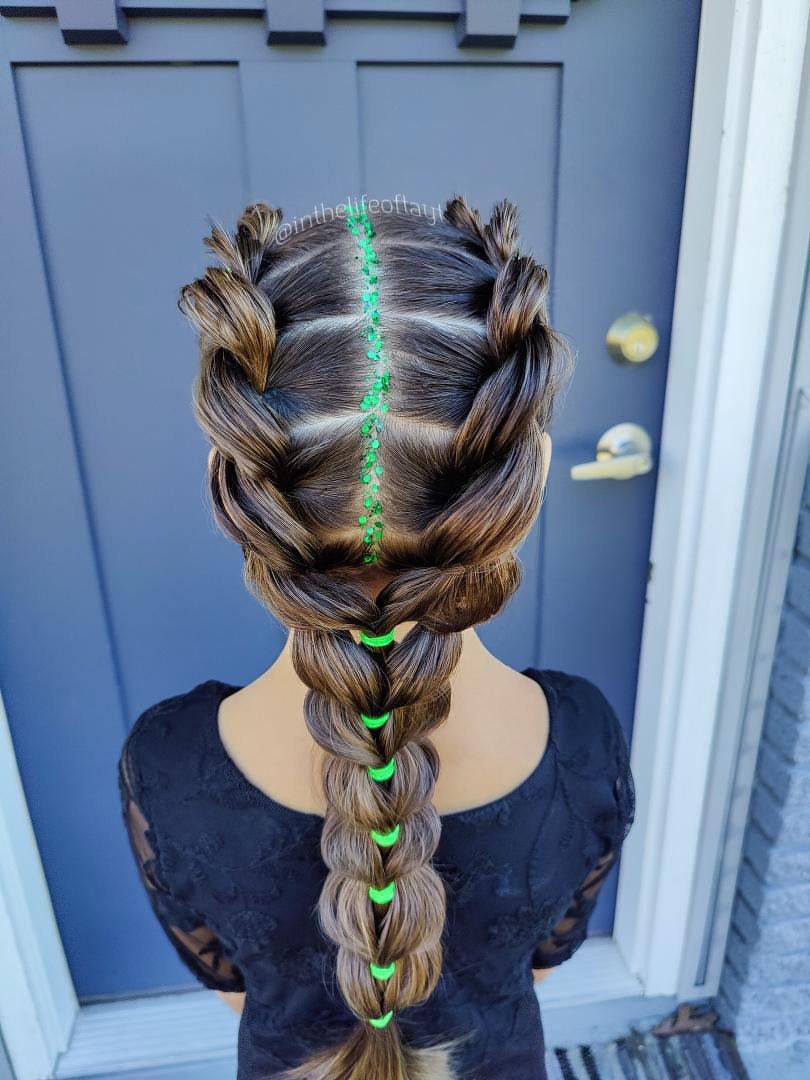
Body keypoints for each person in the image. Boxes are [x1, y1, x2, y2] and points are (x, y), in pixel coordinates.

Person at [117, 195, 636, 1080]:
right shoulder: (582, 742)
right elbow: (548, 956)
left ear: (236, 487)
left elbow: (232, 985)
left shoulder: (167, 765)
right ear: (528, 479)